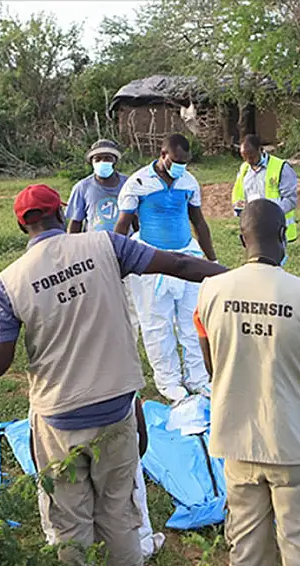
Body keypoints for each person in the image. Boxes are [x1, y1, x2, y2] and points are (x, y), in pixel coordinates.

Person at [0, 184, 226, 566]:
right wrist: (225, 274)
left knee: (69, 520)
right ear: (62, 211)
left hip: (58, 415)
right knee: (118, 510)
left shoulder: (10, 281)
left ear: (22, 224)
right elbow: (173, 262)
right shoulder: (105, 245)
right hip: (115, 406)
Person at [193, 199, 300, 566]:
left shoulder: (209, 292)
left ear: (241, 239)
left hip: (238, 442)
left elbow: (212, 366)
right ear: (283, 237)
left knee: (245, 551)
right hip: (297, 446)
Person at [115, 133, 219, 402]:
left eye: (185, 162)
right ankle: (168, 380)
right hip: (151, 259)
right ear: (162, 155)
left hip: (187, 253)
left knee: (192, 320)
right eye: (176, 161)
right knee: (156, 323)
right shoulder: (138, 183)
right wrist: (115, 261)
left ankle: (198, 377)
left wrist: (212, 261)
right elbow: (122, 227)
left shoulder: (189, 182)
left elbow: (199, 222)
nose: (180, 166)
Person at [65, 139, 141, 334]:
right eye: (98, 159)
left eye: (107, 158)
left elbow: (136, 220)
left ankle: (129, 341)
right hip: (94, 251)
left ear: (115, 160)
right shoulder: (82, 188)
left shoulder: (128, 184)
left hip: (126, 249)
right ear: (91, 161)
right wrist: (70, 252)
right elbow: (75, 223)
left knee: (130, 300)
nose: (102, 162)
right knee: (97, 299)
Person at [232, 134, 299, 242]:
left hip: (276, 228)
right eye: (244, 156)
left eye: (252, 156)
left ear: (260, 150)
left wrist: (269, 214)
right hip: (253, 227)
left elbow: (290, 200)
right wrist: (241, 210)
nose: (248, 160)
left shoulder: (281, 167)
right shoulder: (244, 169)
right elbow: (238, 194)